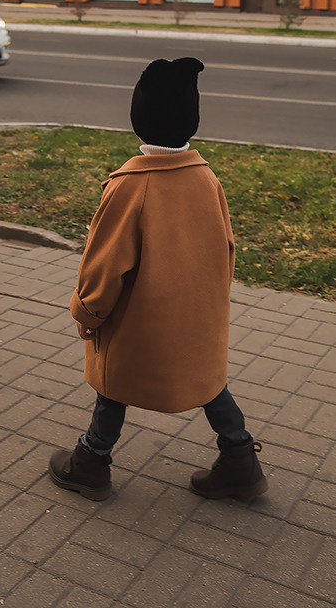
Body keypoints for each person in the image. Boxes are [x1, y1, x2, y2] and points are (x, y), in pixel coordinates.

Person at [48, 57, 268, 502]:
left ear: (138, 121)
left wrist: (88, 311)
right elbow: (225, 248)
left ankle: (90, 464)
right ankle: (240, 461)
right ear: (192, 119)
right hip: (198, 317)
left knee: (114, 386)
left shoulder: (130, 186)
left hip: (141, 321)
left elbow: (104, 263)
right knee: (208, 383)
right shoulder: (207, 179)